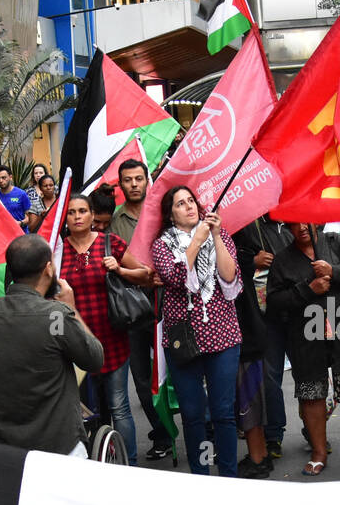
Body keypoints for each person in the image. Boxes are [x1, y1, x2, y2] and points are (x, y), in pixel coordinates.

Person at [0, 235, 104, 454]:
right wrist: (71, 309)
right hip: (60, 445)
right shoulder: (55, 316)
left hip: (9, 449)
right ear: (48, 269)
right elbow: (95, 359)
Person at [267, 222, 340, 476]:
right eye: (294, 225)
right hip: (306, 335)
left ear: (316, 221)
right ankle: (318, 453)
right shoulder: (283, 259)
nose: (301, 228)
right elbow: (275, 301)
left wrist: (334, 272)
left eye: (305, 221)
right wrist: (308, 289)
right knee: (311, 391)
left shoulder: (334, 243)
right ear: (288, 229)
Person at [151, 185, 243, 478]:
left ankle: (228, 476)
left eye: (191, 201)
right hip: (184, 340)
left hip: (222, 334)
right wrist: (195, 242)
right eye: (181, 204)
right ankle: (201, 475)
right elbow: (177, 277)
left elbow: (230, 276)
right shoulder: (162, 244)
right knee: (192, 416)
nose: (189, 206)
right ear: (171, 214)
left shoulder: (221, 235)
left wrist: (214, 236)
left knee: (223, 414)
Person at [60, 192, 154, 466]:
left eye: (82, 211)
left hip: (112, 339)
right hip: (76, 344)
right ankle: (95, 467)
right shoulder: (56, 251)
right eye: (71, 212)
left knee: (119, 407)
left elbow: (146, 275)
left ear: (92, 215)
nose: (77, 217)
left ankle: (129, 465)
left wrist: (120, 270)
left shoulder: (110, 243)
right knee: (87, 413)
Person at [106, 159, 172, 460]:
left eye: (138, 179)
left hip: (167, 303)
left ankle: (200, 425)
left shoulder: (161, 213)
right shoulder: (113, 223)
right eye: (128, 180)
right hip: (132, 309)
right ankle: (161, 434)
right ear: (120, 185)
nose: (134, 184)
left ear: (147, 180)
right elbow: (112, 264)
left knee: (178, 370)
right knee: (143, 379)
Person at [235, 212, 292, 458]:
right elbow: (229, 256)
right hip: (265, 314)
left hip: (299, 311)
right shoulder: (244, 222)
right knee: (270, 378)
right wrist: (252, 260)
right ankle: (273, 435)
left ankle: (315, 433)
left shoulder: (295, 222)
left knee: (311, 379)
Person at [0, 164, 34, 232]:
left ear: (10, 177)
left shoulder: (21, 194)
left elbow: (30, 218)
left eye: (4, 177)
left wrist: (20, 223)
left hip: (20, 235)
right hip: (3, 235)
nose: (0, 181)